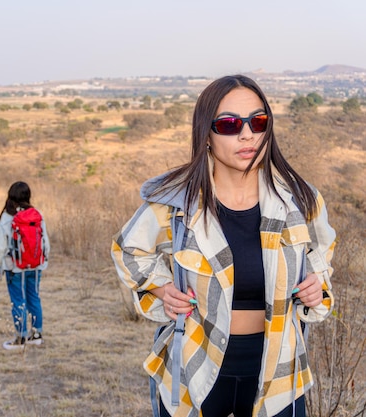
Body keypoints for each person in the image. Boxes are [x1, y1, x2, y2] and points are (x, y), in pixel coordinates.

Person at [111, 75, 336, 417]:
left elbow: (322, 255)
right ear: (206, 135)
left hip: (278, 368)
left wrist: (316, 285)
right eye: (229, 124)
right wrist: (160, 288)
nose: (247, 134)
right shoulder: (176, 203)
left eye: (258, 122)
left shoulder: (300, 201)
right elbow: (129, 249)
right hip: (194, 361)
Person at [0, 181, 50, 350]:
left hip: (14, 267)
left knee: (18, 301)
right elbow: (45, 241)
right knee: (34, 298)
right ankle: (36, 335)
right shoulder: (36, 215)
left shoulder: (7, 217)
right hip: (35, 266)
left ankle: (21, 338)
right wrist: (43, 262)